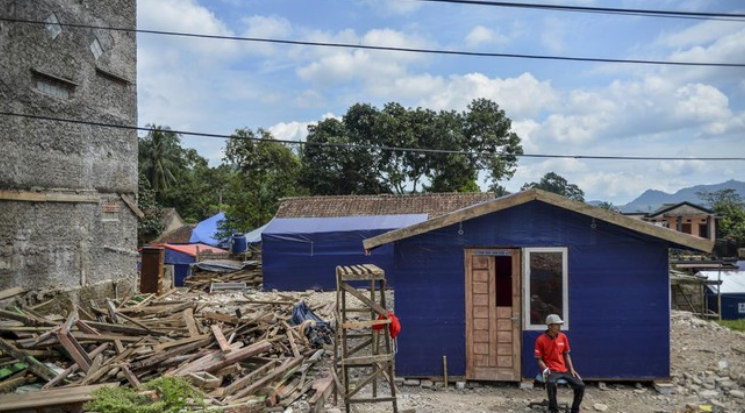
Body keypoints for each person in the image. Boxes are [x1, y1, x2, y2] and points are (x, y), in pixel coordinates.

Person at [534, 314, 585, 413]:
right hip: (551, 370)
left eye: (560, 324)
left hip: (564, 369)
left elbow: (566, 354)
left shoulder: (563, 337)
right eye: (556, 325)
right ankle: (554, 410)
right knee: (551, 384)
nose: (559, 327)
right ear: (549, 326)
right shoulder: (540, 340)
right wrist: (545, 369)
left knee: (580, 385)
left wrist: (571, 369)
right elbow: (539, 359)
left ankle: (575, 410)